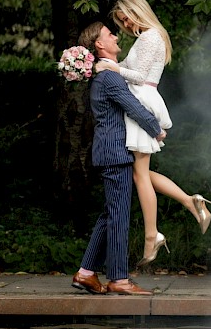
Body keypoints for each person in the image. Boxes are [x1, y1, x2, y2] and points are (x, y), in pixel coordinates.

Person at [94, 0, 211, 266]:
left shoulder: (150, 37)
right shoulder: (146, 37)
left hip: (143, 98)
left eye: (126, 17)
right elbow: (127, 69)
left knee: (139, 175)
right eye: (121, 21)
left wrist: (111, 67)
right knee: (141, 172)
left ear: (138, 10)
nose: (125, 24)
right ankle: (189, 202)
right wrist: (107, 66)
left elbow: (139, 77)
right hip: (140, 98)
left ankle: (152, 235)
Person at [71, 22, 167, 296]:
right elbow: (133, 106)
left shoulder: (107, 74)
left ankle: (86, 273)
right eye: (109, 34)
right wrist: (156, 129)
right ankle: (119, 280)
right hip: (115, 153)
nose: (115, 36)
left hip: (111, 152)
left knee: (110, 214)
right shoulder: (110, 78)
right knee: (118, 217)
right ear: (100, 45)